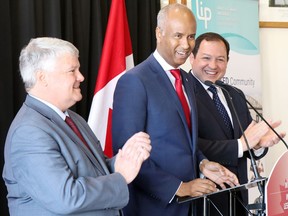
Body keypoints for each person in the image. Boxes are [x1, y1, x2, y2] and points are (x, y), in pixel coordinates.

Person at [112, 4, 239, 216]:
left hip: (191, 205)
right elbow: (127, 155)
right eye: (178, 35)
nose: (186, 44)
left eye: (191, 37)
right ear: (159, 33)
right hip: (154, 207)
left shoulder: (186, 80)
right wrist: (179, 188)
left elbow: (184, 140)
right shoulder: (134, 81)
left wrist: (203, 163)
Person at [2, 37, 152, 216]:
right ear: (42, 78)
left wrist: (122, 160)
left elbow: (94, 168)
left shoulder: (72, 118)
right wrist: (120, 178)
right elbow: (66, 197)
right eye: (72, 70)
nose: (81, 77)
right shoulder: (28, 132)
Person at [189, 32, 286, 215]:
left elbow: (247, 140)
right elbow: (190, 145)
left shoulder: (234, 94)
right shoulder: (182, 94)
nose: (213, 65)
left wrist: (258, 146)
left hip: (239, 198)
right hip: (203, 200)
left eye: (220, 59)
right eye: (206, 58)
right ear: (192, 57)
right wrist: (241, 145)